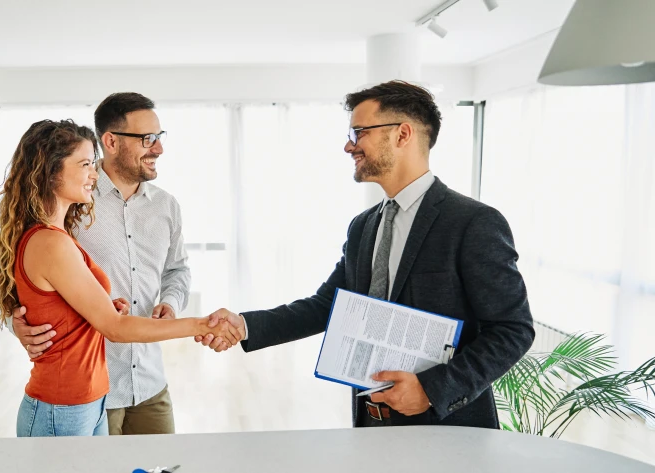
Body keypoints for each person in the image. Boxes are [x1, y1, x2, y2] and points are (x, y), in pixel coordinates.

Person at [201, 80, 534, 429]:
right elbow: (328, 305)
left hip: (447, 425)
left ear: (402, 134)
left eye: (359, 132)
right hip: (371, 421)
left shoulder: (473, 222)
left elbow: (513, 329)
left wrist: (432, 389)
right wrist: (244, 325)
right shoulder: (364, 226)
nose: (348, 145)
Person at [0, 119, 238, 437]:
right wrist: (201, 325)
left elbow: (70, 309)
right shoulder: (50, 242)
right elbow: (115, 329)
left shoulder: (59, 235)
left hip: (88, 399)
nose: (94, 173)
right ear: (51, 171)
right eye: (84, 164)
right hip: (61, 408)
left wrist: (103, 306)